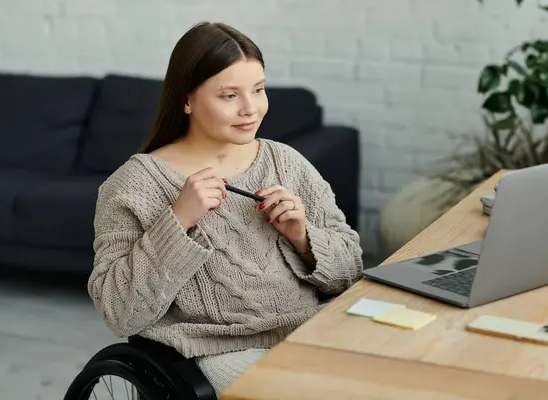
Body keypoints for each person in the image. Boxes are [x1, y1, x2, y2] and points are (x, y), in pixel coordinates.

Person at [88, 21, 363, 397]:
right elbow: (120, 313)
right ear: (186, 100)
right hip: (217, 354)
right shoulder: (132, 186)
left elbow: (350, 272)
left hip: (310, 333)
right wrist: (177, 221)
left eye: (259, 89)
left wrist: (303, 237)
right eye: (229, 95)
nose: (251, 108)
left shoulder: (287, 162)